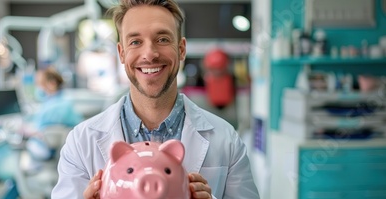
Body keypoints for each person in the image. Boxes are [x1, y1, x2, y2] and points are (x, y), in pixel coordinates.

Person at [51, 0, 260, 198]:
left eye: (162, 39)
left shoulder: (226, 140)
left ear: (181, 49)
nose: (149, 54)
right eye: (135, 42)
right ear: (121, 53)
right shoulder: (81, 142)